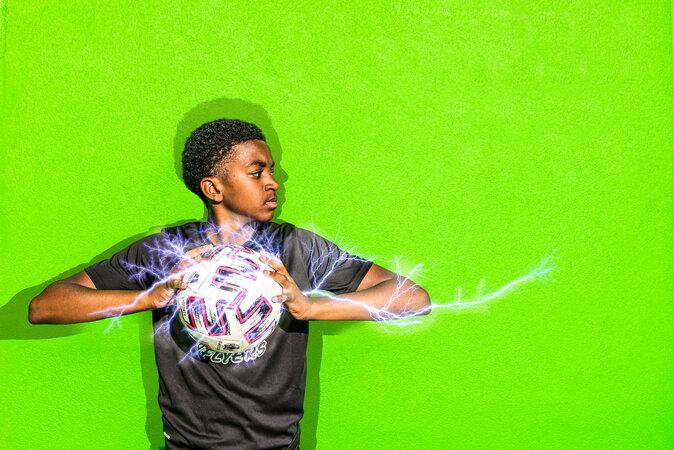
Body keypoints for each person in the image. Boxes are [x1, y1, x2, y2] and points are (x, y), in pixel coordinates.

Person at [28, 118, 431, 449]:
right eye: (257, 172)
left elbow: (414, 298)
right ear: (213, 188)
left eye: (272, 170)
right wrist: (150, 297)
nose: (274, 182)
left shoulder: (297, 247)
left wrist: (311, 307)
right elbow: (44, 306)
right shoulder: (167, 252)